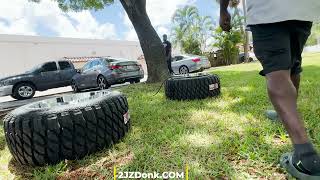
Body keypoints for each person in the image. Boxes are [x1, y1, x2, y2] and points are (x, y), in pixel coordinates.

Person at [219, 0, 320, 178]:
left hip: (268, 7)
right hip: (304, 8)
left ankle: (306, 157)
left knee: (277, 71)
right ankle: (285, 115)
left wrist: (223, 10)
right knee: (293, 63)